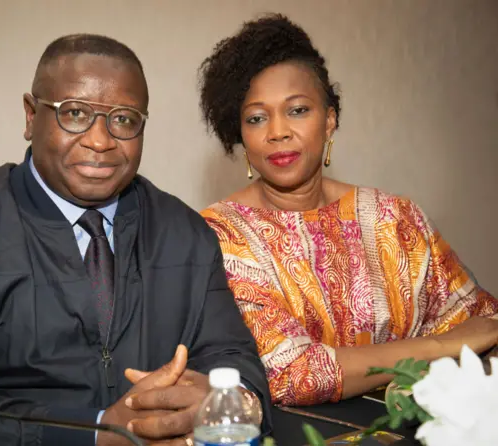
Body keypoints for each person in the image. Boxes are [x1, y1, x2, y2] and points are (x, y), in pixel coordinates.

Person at [0, 34, 271, 446]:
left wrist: (227, 401)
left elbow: (235, 362)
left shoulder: (185, 231)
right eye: (75, 113)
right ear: (31, 116)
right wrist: (99, 432)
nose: (100, 141)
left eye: (123, 119)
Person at [198, 14, 498, 407]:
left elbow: (481, 323)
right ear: (241, 136)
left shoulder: (395, 218)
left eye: (298, 110)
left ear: (330, 120)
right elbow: (293, 374)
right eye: (257, 118)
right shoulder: (218, 235)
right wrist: (442, 346)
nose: (278, 131)